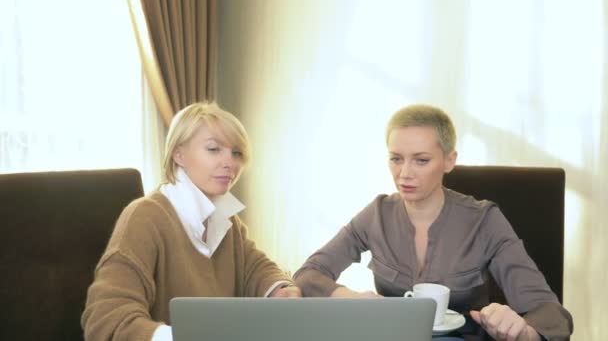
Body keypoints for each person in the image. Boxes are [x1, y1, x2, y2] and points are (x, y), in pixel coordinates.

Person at [293, 104, 573, 341]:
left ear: (449, 161)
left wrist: (522, 331)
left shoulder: (484, 220)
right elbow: (308, 274)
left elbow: (551, 314)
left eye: (421, 160)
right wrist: (349, 298)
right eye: (396, 159)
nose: (404, 174)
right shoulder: (376, 214)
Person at [82, 102, 301, 341]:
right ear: (179, 154)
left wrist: (280, 289)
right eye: (214, 149)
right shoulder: (144, 217)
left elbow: (256, 268)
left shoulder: (228, 222)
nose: (230, 162)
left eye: (236, 152)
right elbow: (106, 319)